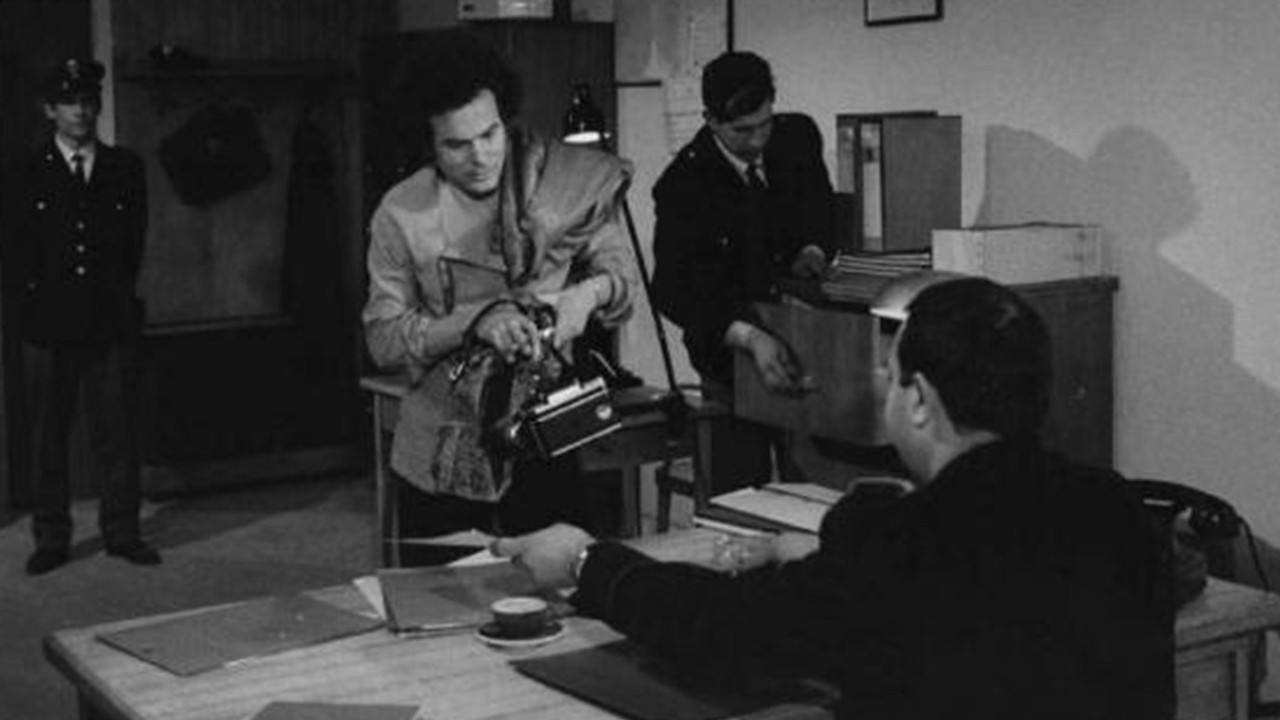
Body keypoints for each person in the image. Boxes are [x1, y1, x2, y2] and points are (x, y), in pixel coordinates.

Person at [495, 275, 1175, 720]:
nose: (884, 389)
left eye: (890, 374)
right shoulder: (1118, 511)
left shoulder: (900, 546)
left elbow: (719, 625)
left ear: (919, 400)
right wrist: (829, 553)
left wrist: (587, 561)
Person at [362, 30, 636, 544]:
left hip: (549, 427)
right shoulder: (401, 213)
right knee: (444, 588)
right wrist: (476, 321)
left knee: (563, 580)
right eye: (456, 145)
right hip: (441, 445)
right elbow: (383, 339)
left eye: (490, 134)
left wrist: (586, 296)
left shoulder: (562, 183)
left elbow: (621, 279)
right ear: (428, 144)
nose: (481, 156)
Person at [0, 58, 158, 575]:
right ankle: (51, 537)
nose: (81, 111)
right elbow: (14, 249)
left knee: (117, 432)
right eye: (70, 102)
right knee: (48, 436)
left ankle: (123, 532)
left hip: (110, 321)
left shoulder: (125, 168)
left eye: (89, 101)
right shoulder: (24, 172)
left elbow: (132, 245)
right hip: (47, 324)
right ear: (50, 110)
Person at [649, 51, 835, 487]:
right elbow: (672, 290)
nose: (757, 141)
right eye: (742, 131)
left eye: (764, 124)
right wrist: (749, 337)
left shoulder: (797, 137)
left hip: (801, 343)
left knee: (810, 488)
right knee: (738, 496)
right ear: (711, 120)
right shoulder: (683, 185)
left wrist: (813, 250)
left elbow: (821, 208)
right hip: (728, 359)